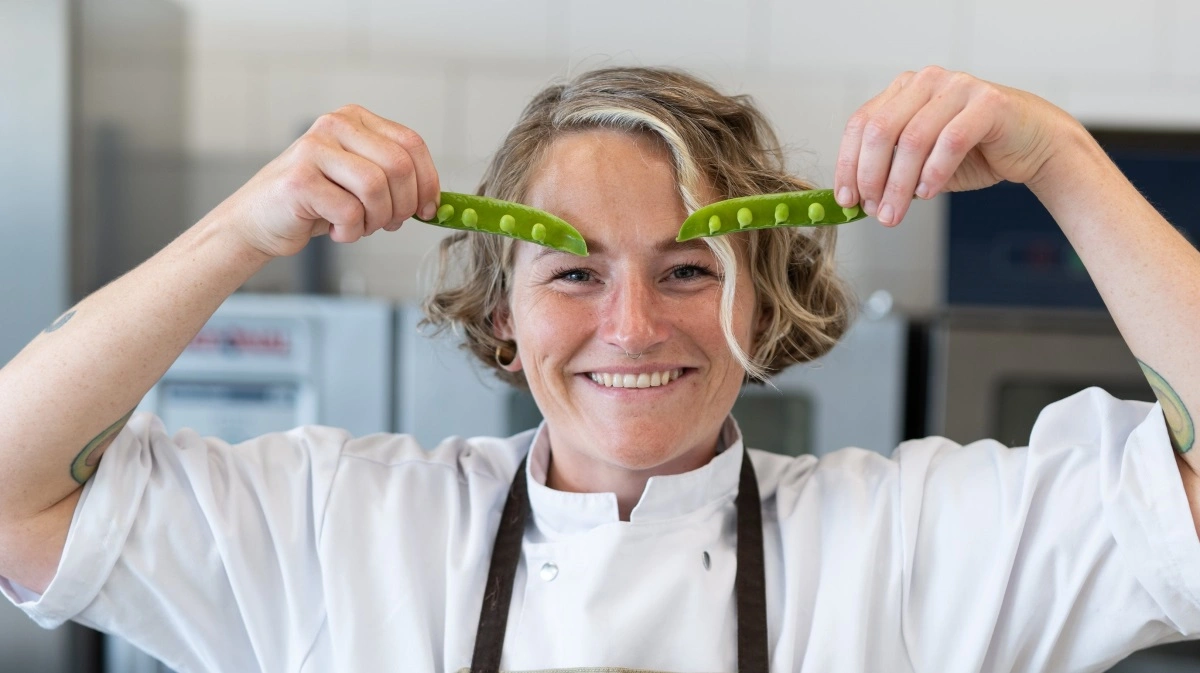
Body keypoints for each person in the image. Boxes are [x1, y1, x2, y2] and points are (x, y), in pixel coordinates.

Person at [1, 64, 1198, 672]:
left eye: (687, 270)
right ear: (504, 309)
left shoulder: (912, 544)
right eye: (573, 273)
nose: (632, 325)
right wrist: (241, 232)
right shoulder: (336, 524)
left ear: (759, 296)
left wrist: (1062, 160)